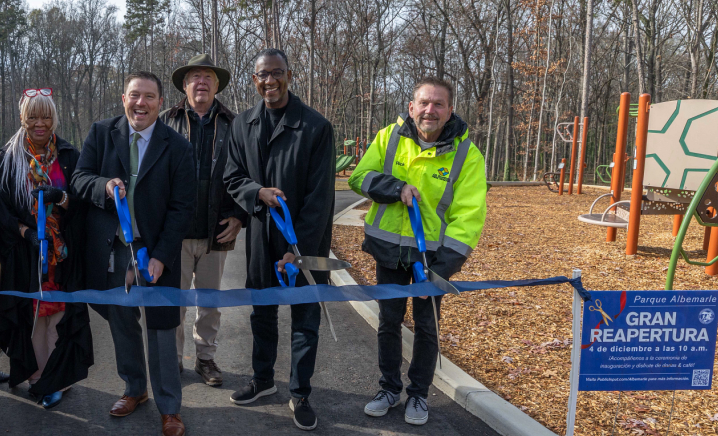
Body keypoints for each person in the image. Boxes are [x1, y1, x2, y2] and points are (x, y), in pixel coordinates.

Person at [348, 76, 486, 426]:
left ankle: (419, 396)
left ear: (450, 110)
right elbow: (359, 176)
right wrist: (395, 187)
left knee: (427, 326)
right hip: (388, 252)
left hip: (432, 260)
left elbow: (468, 217)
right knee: (389, 322)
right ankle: (389, 389)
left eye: (438, 104)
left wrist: (442, 270)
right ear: (411, 108)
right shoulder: (388, 138)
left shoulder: (466, 155)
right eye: (424, 103)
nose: (430, 110)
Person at [71, 72, 195, 436]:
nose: (141, 103)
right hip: (113, 250)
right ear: (123, 98)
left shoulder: (178, 146)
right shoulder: (100, 133)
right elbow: (80, 179)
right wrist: (103, 186)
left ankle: (169, 407)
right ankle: (134, 389)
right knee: (122, 324)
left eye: (149, 97)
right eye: (134, 96)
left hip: (157, 251)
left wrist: (161, 256)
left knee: (161, 328)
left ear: (160, 103)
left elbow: (182, 207)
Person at [223, 49, 334, 431]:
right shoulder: (242, 125)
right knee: (262, 312)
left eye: (276, 73)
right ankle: (263, 380)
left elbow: (321, 198)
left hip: (305, 243)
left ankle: (300, 393)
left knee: (305, 319)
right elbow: (232, 177)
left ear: (290, 75)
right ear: (252, 79)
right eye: (261, 75)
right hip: (259, 235)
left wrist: (295, 247)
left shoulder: (316, 127)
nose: (269, 81)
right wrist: (257, 192)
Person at [0, 88, 93, 410]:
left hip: (61, 253)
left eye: (45, 116)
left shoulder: (68, 155)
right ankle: (37, 377)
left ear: (54, 118)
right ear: (23, 118)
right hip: (25, 252)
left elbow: (80, 200)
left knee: (59, 314)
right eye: (32, 116)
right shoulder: (10, 158)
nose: (40, 123)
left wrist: (59, 198)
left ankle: (56, 377)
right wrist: (25, 233)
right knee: (33, 313)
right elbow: (2, 208)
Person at [158, 53, 246, 386]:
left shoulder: (235, 124)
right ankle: (173, 361)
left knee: (209, 303)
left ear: (217, 85)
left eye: (208, 77)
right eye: (195, 76)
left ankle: (206, 359)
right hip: (174, 233)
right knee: (176, 304)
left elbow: (245, 174)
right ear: (184, 85)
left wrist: (239, 216)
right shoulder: (165, 121)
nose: (202, 82)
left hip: (217, 231)